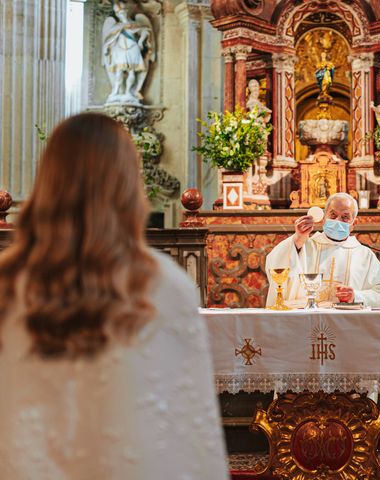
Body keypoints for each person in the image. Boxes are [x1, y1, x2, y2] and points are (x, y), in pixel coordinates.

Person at [0, 113, 230, 479]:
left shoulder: (8, 281)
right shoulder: (164, 286)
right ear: (128, 183)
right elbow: (191, 429)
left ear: (48, 178)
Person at [265, 192, 380, 308]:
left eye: (345, 217)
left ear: (354, 224)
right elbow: (274, 265)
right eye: (333, 215)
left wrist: (355, 296)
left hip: (347, 324)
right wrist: (297, 239)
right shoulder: (304, 245)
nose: (337, 220)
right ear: (324, 218)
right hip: (306, 321)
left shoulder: (364, 255)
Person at [102, 1, 155, 104]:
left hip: (132, 48)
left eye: (123, 12)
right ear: (117, 14)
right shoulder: (116, 26)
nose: (122, 14)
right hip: (120, 50)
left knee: (132, 71)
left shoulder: (133, 24)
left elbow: (145, 31)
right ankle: (116, 91)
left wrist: (140, 41)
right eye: (119, 13)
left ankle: (129, 92)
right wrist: (107, 47)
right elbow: (108, 38)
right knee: (119, 72)